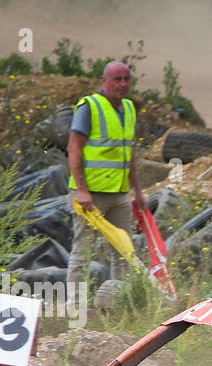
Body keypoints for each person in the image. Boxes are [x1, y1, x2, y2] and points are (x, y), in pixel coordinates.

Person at [66, 61, 147, 297]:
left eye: (126, 79)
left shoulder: (129, 108)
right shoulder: (89, 107)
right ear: (104, 81)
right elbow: (74, 148)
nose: (122, 84)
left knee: (125, 252)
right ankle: (76, 309)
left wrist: (138, 191)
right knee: (83, 253)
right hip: (90, 196)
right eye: (117, 79)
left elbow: (128, 152)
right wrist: (82, 190)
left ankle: (117, 304)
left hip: (119, 194)